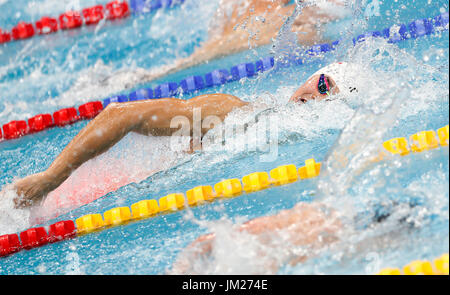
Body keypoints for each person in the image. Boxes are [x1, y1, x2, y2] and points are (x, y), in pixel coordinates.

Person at [12, 62, 362, 208]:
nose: (316, 96)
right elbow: (121, 115)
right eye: (322, 84)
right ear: (312, 76)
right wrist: (49, 179)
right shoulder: (235, 112)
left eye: (330, 97)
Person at [115, 0, 345, 86]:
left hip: (213, 52)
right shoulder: (293, 17)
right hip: (243, 45)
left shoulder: (241, 6)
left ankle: (154, 74)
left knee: (197, 58)